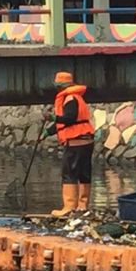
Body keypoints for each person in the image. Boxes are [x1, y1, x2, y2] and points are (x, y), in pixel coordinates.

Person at [43, 71, 94, 217]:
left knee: (69, 173)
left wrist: (53, 117)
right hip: (86, 140)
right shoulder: (77, 97)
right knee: (84, 173)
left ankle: (69, 207)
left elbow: (69, 119)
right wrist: (48, 132)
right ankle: (83, 206)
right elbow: (64, 122)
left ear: (60, 86)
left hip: (76, 141)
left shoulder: (70, 98)